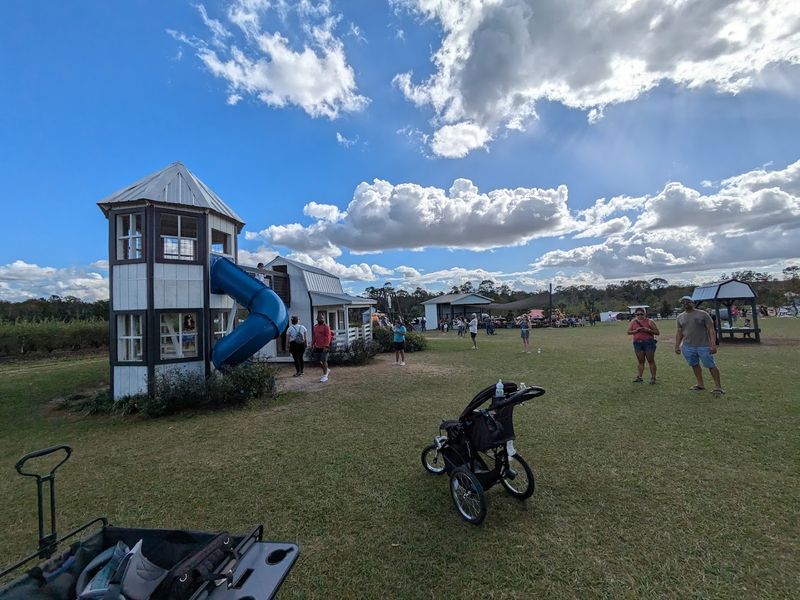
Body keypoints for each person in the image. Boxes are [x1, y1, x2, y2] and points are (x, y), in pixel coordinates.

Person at [675, 296, 724, 394]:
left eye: (688, 301)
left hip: (703, 345)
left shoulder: (703, 314)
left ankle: (718, 387)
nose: (685, 303)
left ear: (693, 303)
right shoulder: (680, 317)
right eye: (683, 302)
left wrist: (713, 344)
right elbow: (679, 332)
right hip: (688, 346)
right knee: (694, 365)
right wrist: (677, 345)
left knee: (711, 365)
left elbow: (711, 329)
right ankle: (700, 384)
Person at [627, 308, 660, 384]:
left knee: (650, 360)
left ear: (645, 314)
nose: (640, 316)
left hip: (648, 342)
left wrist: (647, 330)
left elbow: (657, 332)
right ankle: (639, 377)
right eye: (637, 314)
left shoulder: (650, 321)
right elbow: (628, 332)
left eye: (641, 314)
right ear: (635, 315)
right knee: (640, 361)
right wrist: (636, 331)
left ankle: (653, 378)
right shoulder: (633, 322)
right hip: (637, 343)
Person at [311, 313, 334, 382]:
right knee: (317, 361)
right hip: (317, 346)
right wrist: (312, 344)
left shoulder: (326, 327)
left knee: (324, 360)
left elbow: (328, 337)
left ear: (324, 319)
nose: (321, 319)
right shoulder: (315, 327)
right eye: (319, 318)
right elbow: (314, 336)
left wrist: (326, 346)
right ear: (317, 319)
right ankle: (327, 370)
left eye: (322, 318)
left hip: (324, 346)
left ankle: (325, 375)